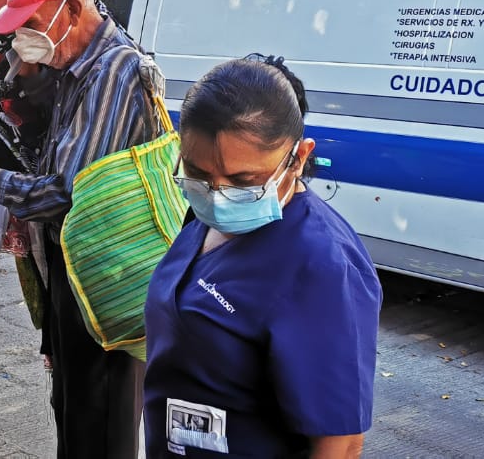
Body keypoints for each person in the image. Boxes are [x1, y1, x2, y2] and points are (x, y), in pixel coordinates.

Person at [0, 0, 165, 458]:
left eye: (30, 23)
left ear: (74, 11)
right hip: (73, 266)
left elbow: (67, 193)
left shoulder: (113, 71)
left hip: (105, 273)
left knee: (99, 419)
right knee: (73, 405)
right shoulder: (72, 68)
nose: (21, 38)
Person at [142, 55, 382, 458]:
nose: (217, 195)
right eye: (198, 174)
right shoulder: (204, 218)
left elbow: (339, 442)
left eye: (243, 181)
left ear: (299, 158)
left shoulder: (321, 265)